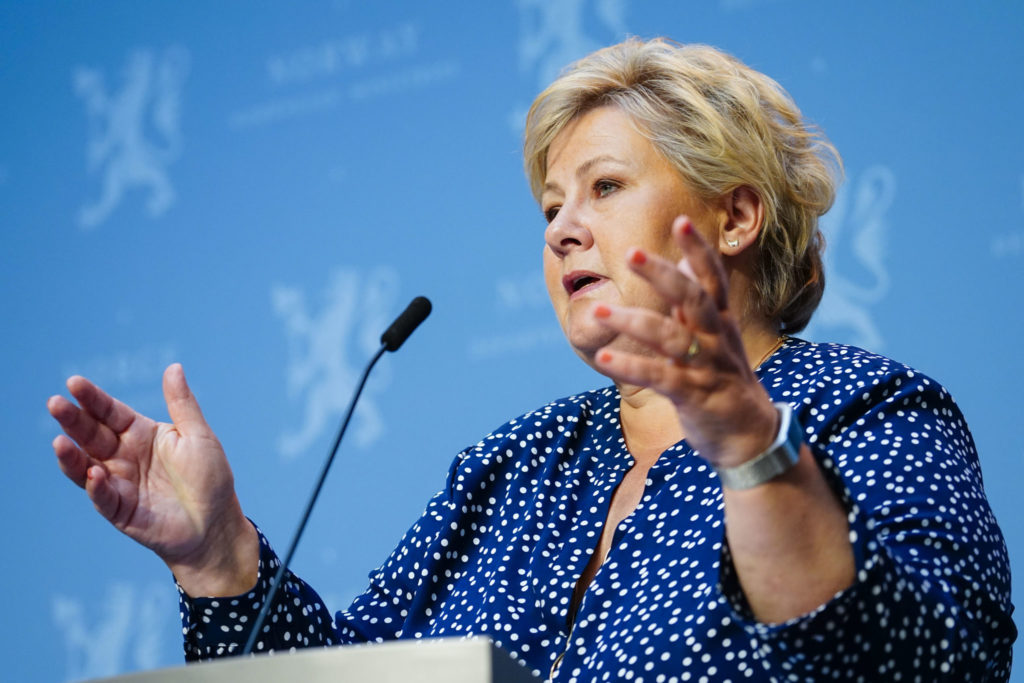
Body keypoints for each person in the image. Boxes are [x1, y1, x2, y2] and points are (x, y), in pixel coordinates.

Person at [48, 38, 1015, 681]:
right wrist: (219, 558)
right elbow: (352, 671)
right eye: (552, 207)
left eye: (605, 187)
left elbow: (922, 660)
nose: (562, 230)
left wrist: (751, 445)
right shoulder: (511, 466)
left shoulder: (869, 408)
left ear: (734, 216)